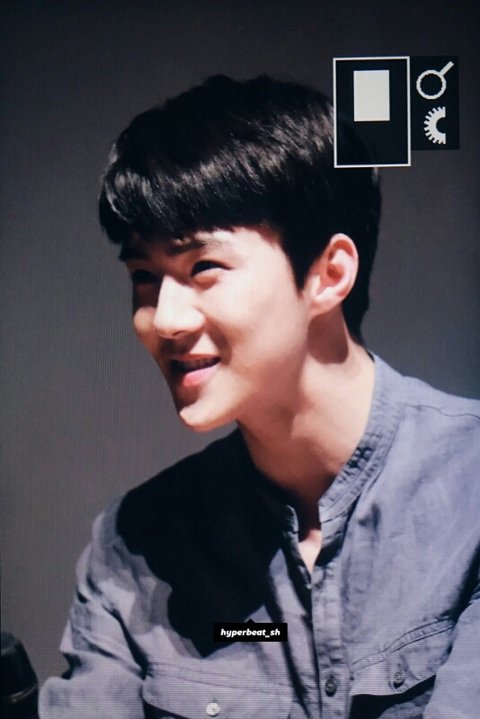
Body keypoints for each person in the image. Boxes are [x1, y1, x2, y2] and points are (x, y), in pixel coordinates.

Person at [39, 75, 479, 719]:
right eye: (144, 277)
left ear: (328, 273)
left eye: (203, 268)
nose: (163, 320)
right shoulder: (133, 545)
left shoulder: (470, 491)